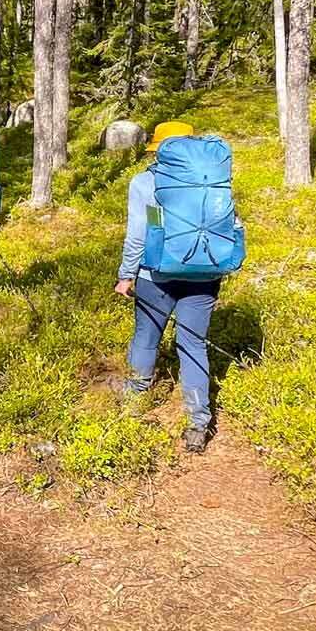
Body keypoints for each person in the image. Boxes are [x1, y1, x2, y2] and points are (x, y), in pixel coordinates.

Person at [115, 120, 219, 454]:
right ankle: (197, 423)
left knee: (146, 335)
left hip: (155, 273)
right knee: (193, 344)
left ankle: (135, 398)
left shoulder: (146, 181)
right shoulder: (212, 179)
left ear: (158, 149)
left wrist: (126, 274)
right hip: (205, 273)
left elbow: (138, 234)